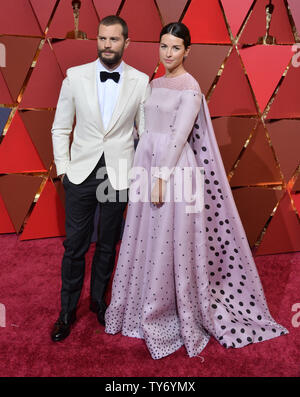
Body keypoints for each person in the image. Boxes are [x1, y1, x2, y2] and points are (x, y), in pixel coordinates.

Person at [104, 22, 289, 359]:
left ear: (188, 51)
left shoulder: (190, 89)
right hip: (148, 165)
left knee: (167, 240)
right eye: (163, 46)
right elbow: (147, 126)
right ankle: (139, 302)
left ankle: (164, 311)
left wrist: (160, 177)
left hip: (173, 171)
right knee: (145, 235)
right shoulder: (154, 83)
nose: (168, 53)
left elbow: (177, 138)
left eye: (175, 48)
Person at [50, 15, 150, 342]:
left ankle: (99, 303)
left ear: (126, 42)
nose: (107, 45)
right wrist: (63, 169)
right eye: (103, 39)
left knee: (108, 245)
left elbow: (145, 133)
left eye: (114, 40)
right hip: (80, 174)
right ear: (97, 40)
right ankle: (66, 311)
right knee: (75, 246)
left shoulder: (140, 81)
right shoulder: (75, 77)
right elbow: (60, 127)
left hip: (117, 175)